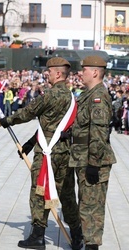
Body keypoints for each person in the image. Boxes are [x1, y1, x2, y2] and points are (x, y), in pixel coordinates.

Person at [0, 57, 83, 250]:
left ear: (58, 74)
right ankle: (78, 235)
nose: (47, 74)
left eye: (50, 71)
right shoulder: (72, 97)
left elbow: (28, 112)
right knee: (67, 193)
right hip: (64, 151)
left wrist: (8, 120)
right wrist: (29, 143)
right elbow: (50, 126)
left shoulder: (50, 95)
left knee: (39, 190)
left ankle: (38, 236)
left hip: (47, 153)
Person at [69, 55, 117, 250]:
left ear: (95, 72)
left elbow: (98, 132)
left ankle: (92, 245)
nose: (81, 73)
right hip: (83, 155)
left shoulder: (98, 97)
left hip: (92, 157)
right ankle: (88, 242)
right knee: (86, 204)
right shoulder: (88, 94)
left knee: (92, 206)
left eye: (84, 70)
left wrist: (94, 163)